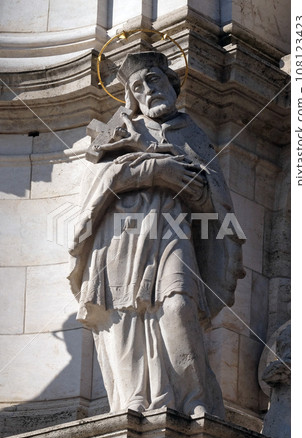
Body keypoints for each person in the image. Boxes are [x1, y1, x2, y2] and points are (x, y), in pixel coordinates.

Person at [68, 52, 244, 418]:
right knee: (126, 315)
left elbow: (216, 199)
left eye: (154, 80)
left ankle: (197, 398)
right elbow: (98, 184)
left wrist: (198, 191)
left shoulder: (191, 132)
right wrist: (154, 169)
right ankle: (136, 398)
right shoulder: (118, 130)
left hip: (173, 234)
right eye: (137, 87)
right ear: (131, 98)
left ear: (171, 84)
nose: (148, 91)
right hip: (121, 239)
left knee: (178, 306)